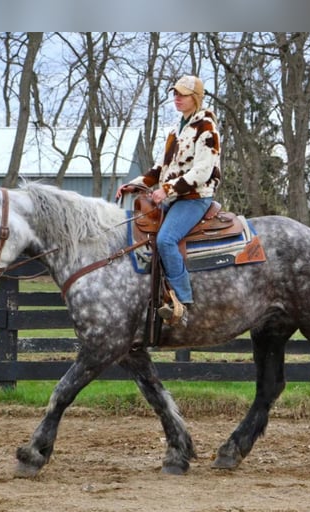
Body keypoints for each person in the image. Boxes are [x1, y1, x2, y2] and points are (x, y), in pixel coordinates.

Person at [116, 75, 221, 327]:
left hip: (195, 198)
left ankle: (183, 304)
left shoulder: (206, 128)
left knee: (166, 239)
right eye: (175, 93)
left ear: (195, 98)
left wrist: (167, 189)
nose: (177, 98)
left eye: (182, 94)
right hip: (174, 197)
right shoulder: (177, 129)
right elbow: (160, 167)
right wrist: (137, 183)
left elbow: (202, 171)